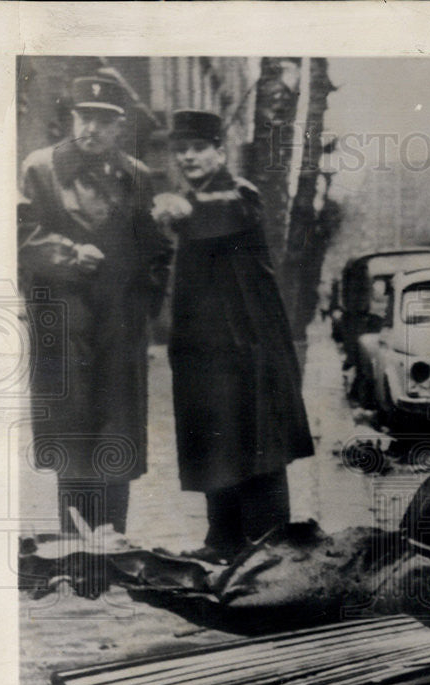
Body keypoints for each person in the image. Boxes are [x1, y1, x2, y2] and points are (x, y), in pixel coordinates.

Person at [156, 110, 315, 562]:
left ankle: (270, 552)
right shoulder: (194, 198)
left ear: (219, 153)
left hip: (249, 348)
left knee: (257, 445)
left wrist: (185, 208)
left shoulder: (239, 194)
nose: (188, 157)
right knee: (213, 441)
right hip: (204, 351)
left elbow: (224, 215)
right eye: (180, 150)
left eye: (198, 148)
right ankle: (221, 541)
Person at [18, 75, 170, 535]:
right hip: (65, 323)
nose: (91, 129)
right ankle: (75, 539)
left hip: (119, 326)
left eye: (103, 121)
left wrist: (141, 306)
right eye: (85, 117)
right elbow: (21, 235)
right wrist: (68, 253)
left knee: (116, 428)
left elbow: (156, 251)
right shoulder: (40, 168)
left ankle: (114, 538)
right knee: (72, 427)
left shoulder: (136, 175)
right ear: (72, 118)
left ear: (120, 127)